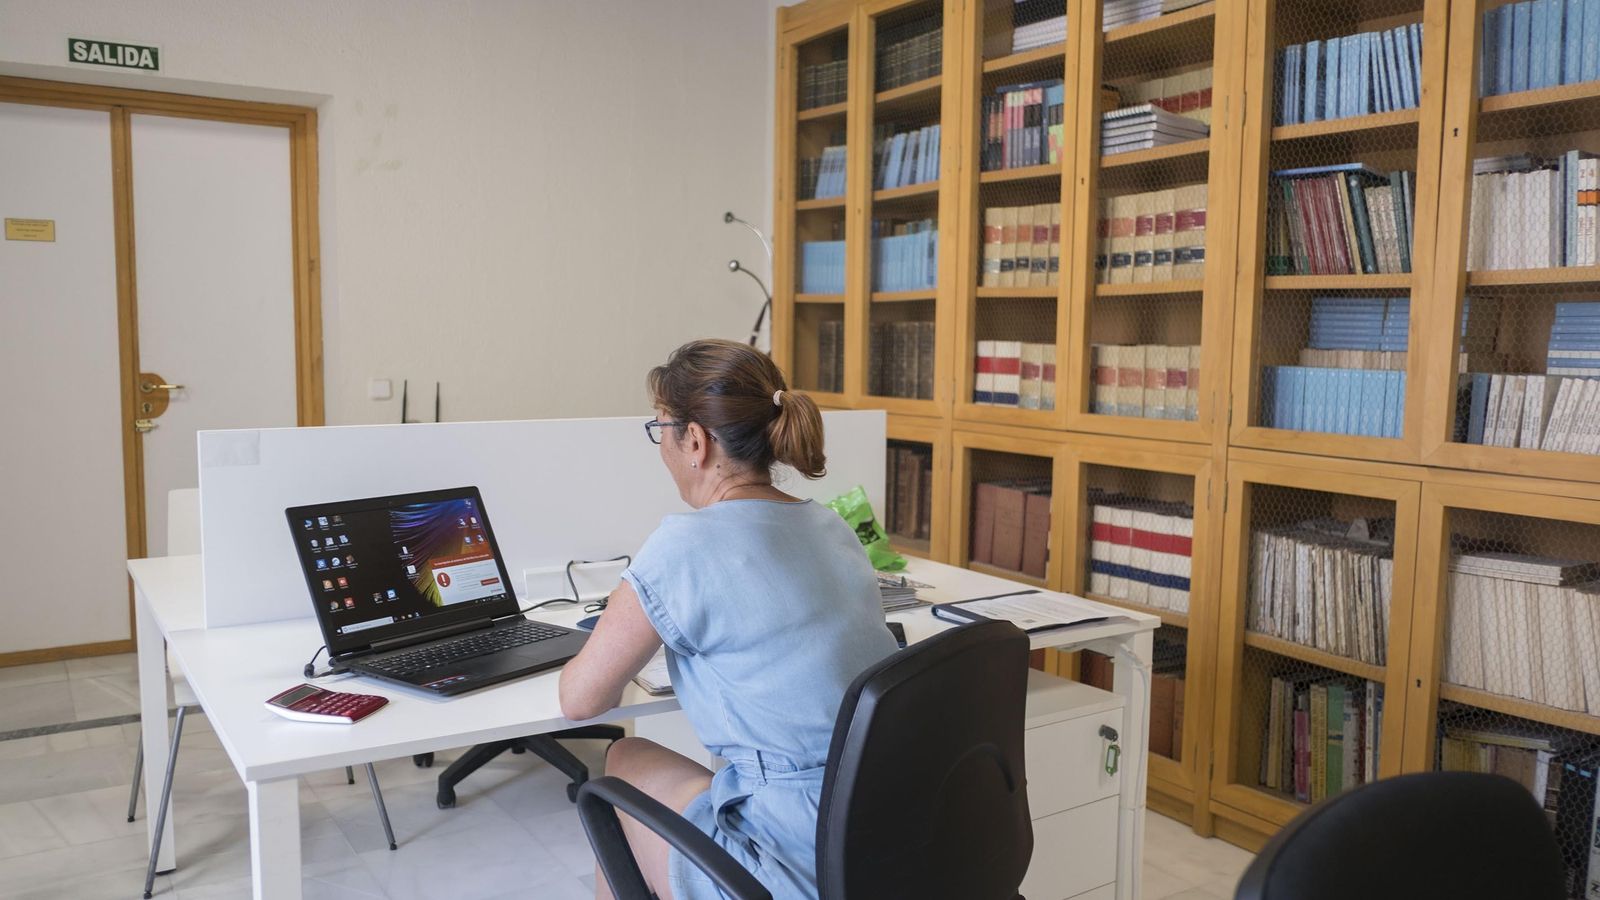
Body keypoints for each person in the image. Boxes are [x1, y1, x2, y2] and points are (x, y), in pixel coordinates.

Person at [559, 338, 897, 900]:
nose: (662, 446)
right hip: (889, 832)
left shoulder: (683, 546)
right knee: (670, 765)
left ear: (694, 440)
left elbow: (581, 700)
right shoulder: (830, 525)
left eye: (660, 429)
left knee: (621, 758)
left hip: (796, 862)